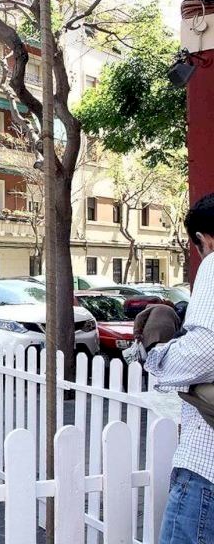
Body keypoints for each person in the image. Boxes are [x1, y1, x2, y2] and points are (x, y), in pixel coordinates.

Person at [137, 193, 214, 543]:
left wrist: (155, 351)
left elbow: (205, 352)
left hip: (206, 466)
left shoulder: (213, 262)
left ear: (203, 239)